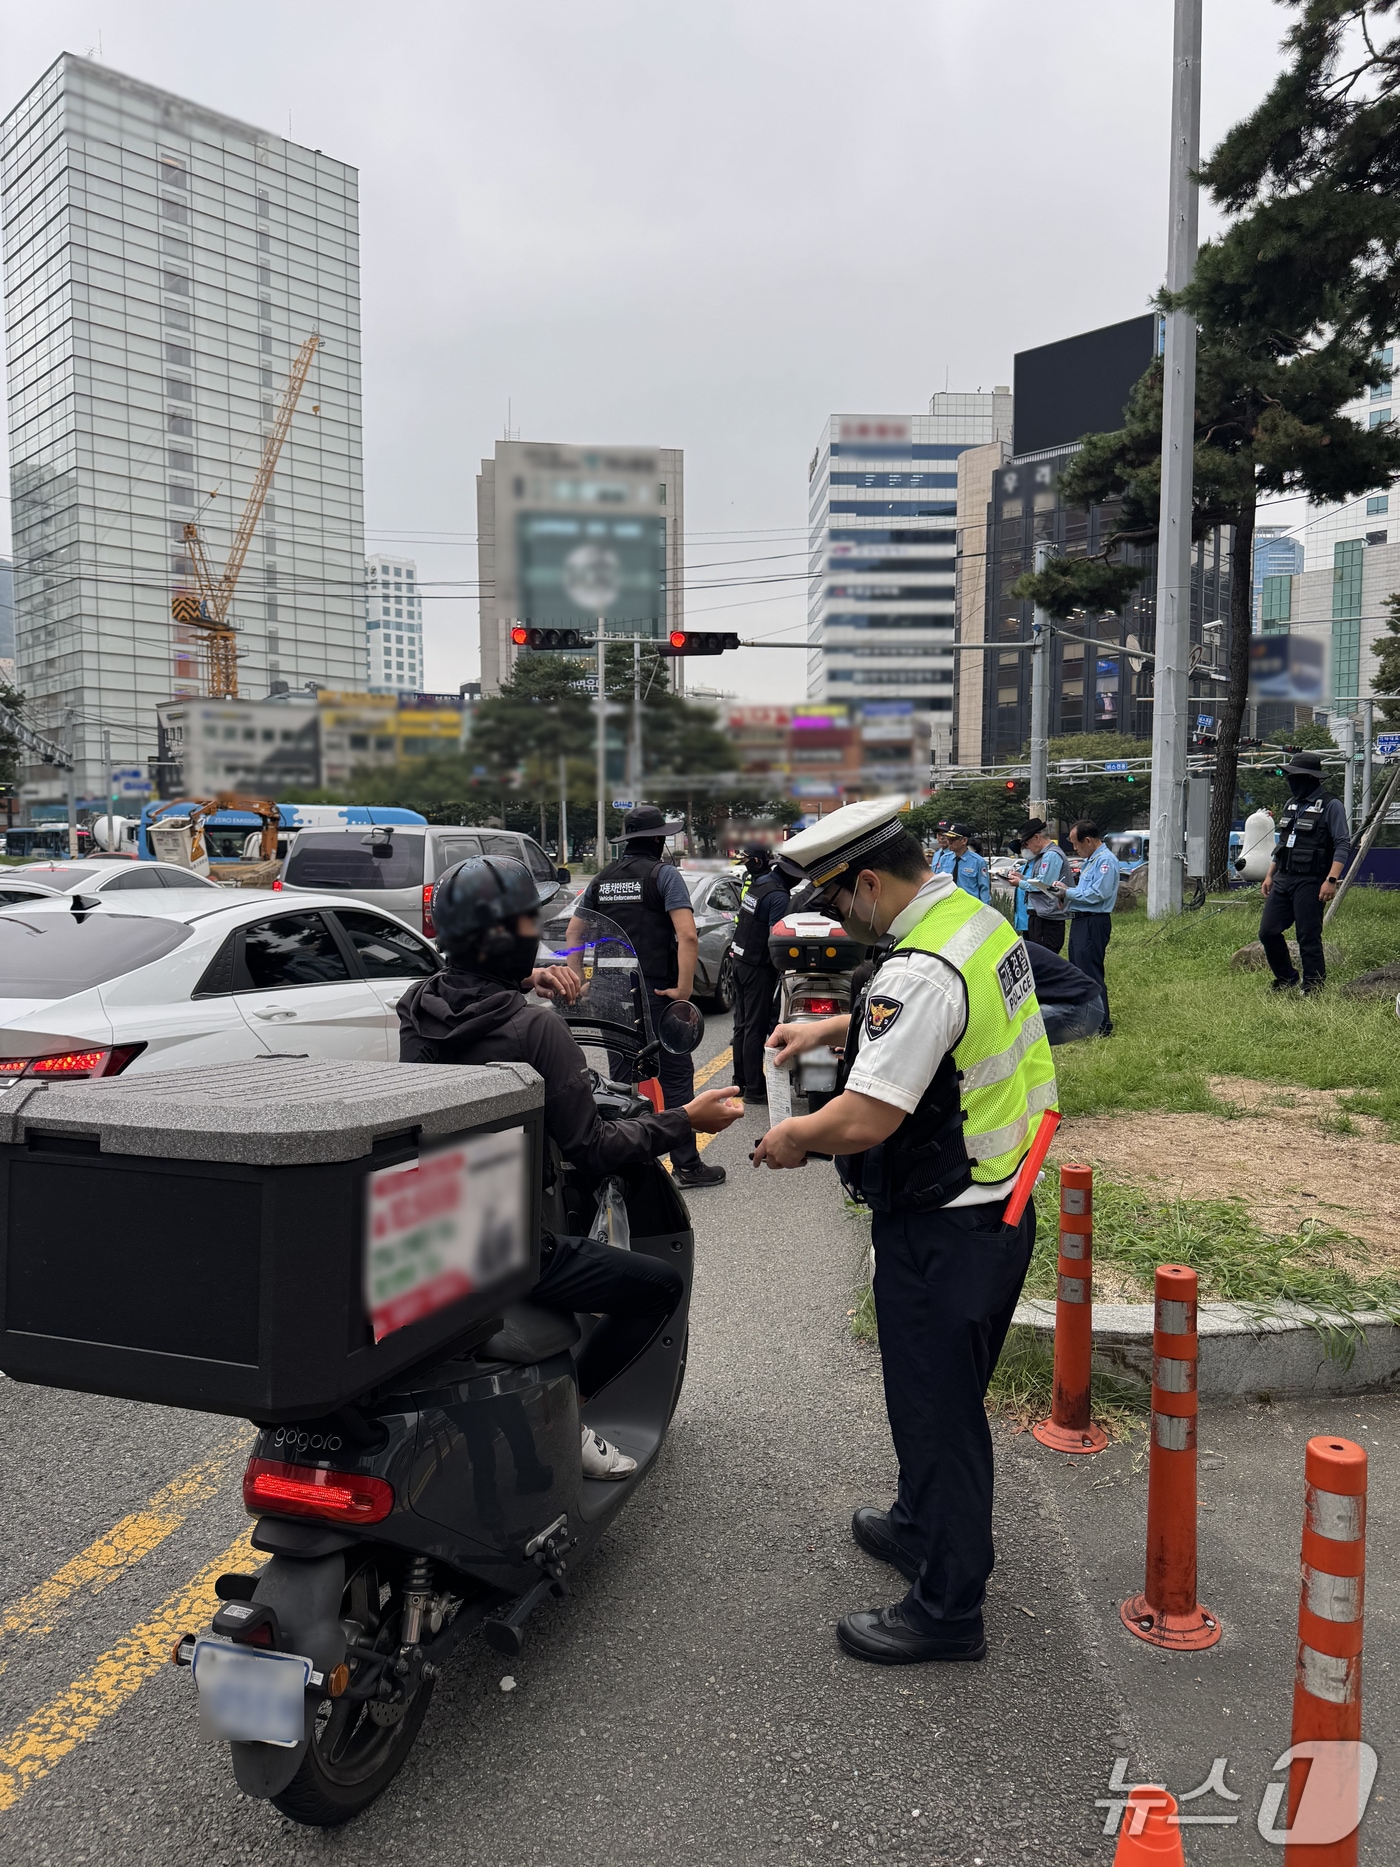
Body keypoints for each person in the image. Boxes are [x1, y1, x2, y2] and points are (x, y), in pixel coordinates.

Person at [752, 797, 1057, 1666]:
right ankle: (921, 1522)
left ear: (873, 881)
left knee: (939, 1412)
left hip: (947, 1227)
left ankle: (949, 1606)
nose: (840, 919)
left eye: (841, 901)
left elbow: (866, 1117)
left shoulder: (916, 969)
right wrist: (836, 1022)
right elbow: (942, 1025)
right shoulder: (974, 920)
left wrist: (790, 1139)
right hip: (1000, 1202)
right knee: (934, 1398)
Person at [399, 856, 743, 1476]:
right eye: (531, 926)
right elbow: (593, 1148)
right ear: (514, 936)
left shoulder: (416, 1006)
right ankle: (571, 1414)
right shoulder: (536, 1033)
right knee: (659, 1289)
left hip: (431, 1231)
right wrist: (686, 1120)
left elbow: (470, 1003)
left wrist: (528, 978)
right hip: (510, 1250)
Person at [579, 803, 725, 1187]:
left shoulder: (602, 878)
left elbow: (575, 932)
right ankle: (688, 1166)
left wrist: (580, 978)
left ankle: (627, 1166)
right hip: (654, 991)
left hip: (610, 993)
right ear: (659, 839)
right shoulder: (664, 875)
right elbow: (688, 934)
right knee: (675, 1074)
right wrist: (685, 989)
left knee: (623, 1078)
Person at [1259, 750, 1351, 994]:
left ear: (1311, 778)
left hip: (1312, 880)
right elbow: (1283, 842)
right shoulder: (1291, 805)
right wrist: (1270, 874)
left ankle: (1313, 987)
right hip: (1283, 877)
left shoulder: (1332, 805)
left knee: (1307, 935)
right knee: (1268, 931)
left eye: (1296, 776)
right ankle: (1286, 978)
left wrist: (1331, 880)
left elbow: (1343, 843)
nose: (1291, 781)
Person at [729, 842, 790, 1104]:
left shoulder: (759, 884)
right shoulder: (777, 895)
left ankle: (740, 1081)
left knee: (742, 1025)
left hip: (739, 959)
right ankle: (755, 1088)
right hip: (757, 966)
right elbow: (775, 938)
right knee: (754, 1026)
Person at [1048, 819, 1118, 1036]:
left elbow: (1098, 894)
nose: (1075, 849)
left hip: (1093, 921)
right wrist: (1065, 892)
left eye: (1076, 844)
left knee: (1090, 973)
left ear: (1088, 840)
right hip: (1081, 919)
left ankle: (1101, 1024)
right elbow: (1085, 892)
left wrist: (1067, 893)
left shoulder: (1105, 861)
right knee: (1078, 971)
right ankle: (1086, 1020)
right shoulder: (1091, 861)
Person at [1024, 942, 1105, 1046]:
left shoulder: (1010, 956)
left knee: (1009, 1033)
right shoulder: (1015, 948)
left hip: (1081, 1009)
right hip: (1084, 1004)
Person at [1008, 817, 1067, 953]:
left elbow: (1044, 884)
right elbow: (1040, 880)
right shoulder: (1043, 856)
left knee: (1044, 959)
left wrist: (1020, 883)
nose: (1027, 847)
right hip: (1040, 916)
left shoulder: (1051, 855)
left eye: (1027, 843)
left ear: (1036, 838)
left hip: (1047, 918)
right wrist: (1023, 878)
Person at [942, 821, 991, 904]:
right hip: (948, 907)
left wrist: (984, 912)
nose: (949, 842)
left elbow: (984, 890)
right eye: (948, 839)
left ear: (964, 840)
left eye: (953, 839)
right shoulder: (944, 859)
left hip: (969, 908)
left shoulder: (978, 862)